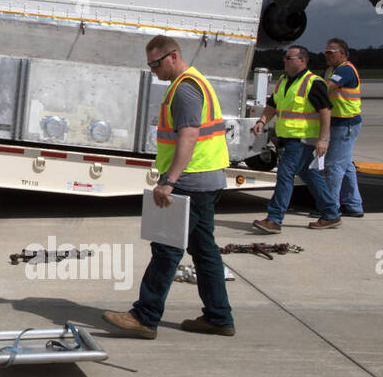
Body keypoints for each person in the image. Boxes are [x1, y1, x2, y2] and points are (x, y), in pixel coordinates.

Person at [103, 36, 235, 339]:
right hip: (207, 179)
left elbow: (189, 136)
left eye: (155, 63)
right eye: (149, 64)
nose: (152, 70)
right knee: (204, 251)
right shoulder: (194, 82)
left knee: (166, 249)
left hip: (190, 181)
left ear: (172, 57)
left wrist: (169, 181)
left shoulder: (185, 90)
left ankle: (145, 317)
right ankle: (218, 317)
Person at [250, 44, 335, 232]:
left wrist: (323, 139)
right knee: (310, 175)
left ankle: (274, 219)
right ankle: (331, 213)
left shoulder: (314, 82)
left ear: (302, 60)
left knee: (285, 175)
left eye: (289, 58)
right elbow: (273, 104)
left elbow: (325, 111)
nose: (285, 61)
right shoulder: (283, 80)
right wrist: (262, 121)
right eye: (285, 57)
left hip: (303, 139)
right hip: (289, 138)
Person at [305, 37, 364, 218]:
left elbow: (326, 88)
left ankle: (330, 207)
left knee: (333, 166)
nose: (327, 55)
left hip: (346, 124)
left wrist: (303, 89)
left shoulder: (345, 70)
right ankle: (353, 205)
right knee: (345, 165)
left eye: (331, 52)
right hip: (339, 123)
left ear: (343, 53)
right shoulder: (331, 69)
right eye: (326, 52)